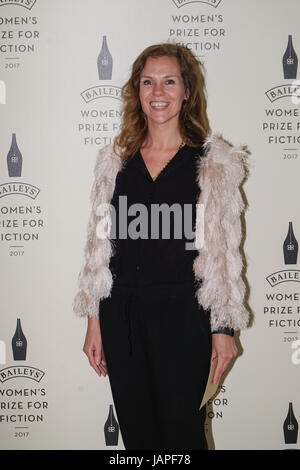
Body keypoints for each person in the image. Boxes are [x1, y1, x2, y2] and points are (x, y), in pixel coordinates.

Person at [73, 43, 250, 450]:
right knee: (139, 441)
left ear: (187, 90)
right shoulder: (115, 163)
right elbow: (100, 251)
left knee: (182, 438)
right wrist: (94, 321)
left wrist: (223, 329)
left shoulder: (211, 164)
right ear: (137, 91)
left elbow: (225, 257)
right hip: (124, 321)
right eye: (148, 82)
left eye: (169, 81)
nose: (158, 92)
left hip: (184, 320)